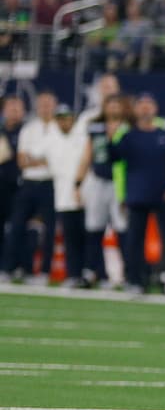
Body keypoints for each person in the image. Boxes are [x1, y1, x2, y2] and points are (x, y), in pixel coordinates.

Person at [109, 92, 165, 294]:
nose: (145, 108)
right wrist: (111, 138)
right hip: (137, 194)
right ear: (135, 110)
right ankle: (135, 280)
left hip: (163, 194)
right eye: (141, 104)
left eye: (149, 104)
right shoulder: (128, 136)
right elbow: (113, 159)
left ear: (155, 109)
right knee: (134, 240)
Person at [3, 92, 58, 282]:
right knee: (16, 226)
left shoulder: (60, 128)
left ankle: (44, 272)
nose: (45, 107)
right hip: (28, 184)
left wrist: (37, 160)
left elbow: (58, 162)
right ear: (36, 106)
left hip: (51, 184)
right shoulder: (29, 128)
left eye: (48, 104)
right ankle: (8, 269)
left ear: (54, 106)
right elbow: (22, 161)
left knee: (49, 229)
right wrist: (44, 161)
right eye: (41, 103)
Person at [80, 94, 131, 288]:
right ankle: (94, 272)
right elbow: (88, 154)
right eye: (110, 105)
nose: (114, 109)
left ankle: (127, 273)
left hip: (120, 184)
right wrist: (79, 183)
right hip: (99, 180)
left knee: (122, 229)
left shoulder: (128, 128)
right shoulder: (95, 127)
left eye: (117, 104)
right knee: (94, 228)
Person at [46, 104, 88, 286]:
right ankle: (73, 275)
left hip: (84, 194)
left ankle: (90, 274)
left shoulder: (82, 138)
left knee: (88, 237)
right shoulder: (51, 139)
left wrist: (80, 187)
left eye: (67, 117)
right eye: (61, 118)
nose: (64, 121)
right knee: (70, 238)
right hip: (63, 197)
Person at [0, 96, 26, 273]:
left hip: (18, 186)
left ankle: (15, 266)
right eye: (10, 107)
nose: (14, 111)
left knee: (17, 227)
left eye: (17, 108)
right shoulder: (1, 131)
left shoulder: (27, 131)